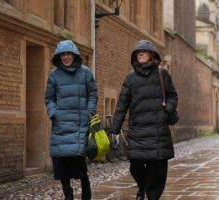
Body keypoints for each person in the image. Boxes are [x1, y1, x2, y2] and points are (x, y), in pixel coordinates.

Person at [111, 39, 178, 200]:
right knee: (135, 166)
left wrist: (166, 110)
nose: (140, 53)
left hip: (157, 130)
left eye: (144, 51)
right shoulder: (130, 78)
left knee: (158, 168)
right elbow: (122, 104)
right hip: (138, 131)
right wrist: (114, 130)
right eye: (137, 52)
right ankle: (142, 187)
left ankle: (152, 196)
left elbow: (172, 95)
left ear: (152, 55)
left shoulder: (162, 74)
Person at [45, 40, 98, 200]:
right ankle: (68, 197)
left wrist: (89, 112)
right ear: (59, 56)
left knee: (80, 166)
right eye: (63, 54)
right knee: (61, 165)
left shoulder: (86, 73)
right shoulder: (54, 75)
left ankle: (86, 196)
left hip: (80, 125)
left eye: (68, 54)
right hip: (60, 126)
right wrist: (54, 113)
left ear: (74, 55)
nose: (66, 57)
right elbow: (49, 99)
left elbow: (93, 95)